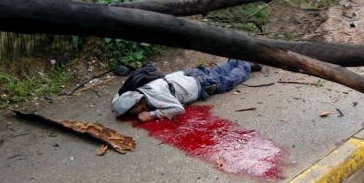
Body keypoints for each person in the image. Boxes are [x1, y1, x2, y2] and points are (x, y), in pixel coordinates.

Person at [112, 60, 263, 122]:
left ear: (141, 101)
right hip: (189, 75)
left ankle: (245, 65)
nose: (140, 111)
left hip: (201, 84)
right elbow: (118, 97)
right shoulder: (136, 89)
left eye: (139, 108)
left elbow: (179, 109)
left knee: (228, 81)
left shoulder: (155, 97)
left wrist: (151, 114)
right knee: (218, 70)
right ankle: (238, 60)